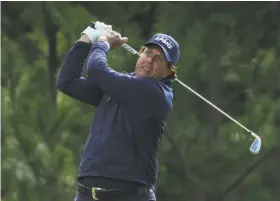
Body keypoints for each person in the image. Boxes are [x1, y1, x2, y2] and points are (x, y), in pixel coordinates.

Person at [57, 21, 180, 201]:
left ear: (169, 71)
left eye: (159, 58)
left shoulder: (157, 94)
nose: (150, 60)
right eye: (148, 52)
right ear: (140, 53)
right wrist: (87, 37)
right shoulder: (122, 84)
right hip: (86, 194)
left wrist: (103, 42)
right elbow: (67, 82)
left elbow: (96, 70)